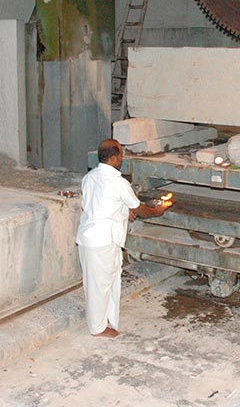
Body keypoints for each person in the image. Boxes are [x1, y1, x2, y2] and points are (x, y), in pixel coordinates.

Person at [77, 139, 170, 338]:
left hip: (89, 238)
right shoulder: (119, 183)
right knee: (100, 285)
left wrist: (122, 210)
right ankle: (98, 328)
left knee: (104, 282)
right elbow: (140, 208)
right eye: (120, 155)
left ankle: (106, 320)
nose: (122, 158)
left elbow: (96, 205)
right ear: (113, 157)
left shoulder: (89, 177)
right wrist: (156, 211)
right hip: (103, 240)